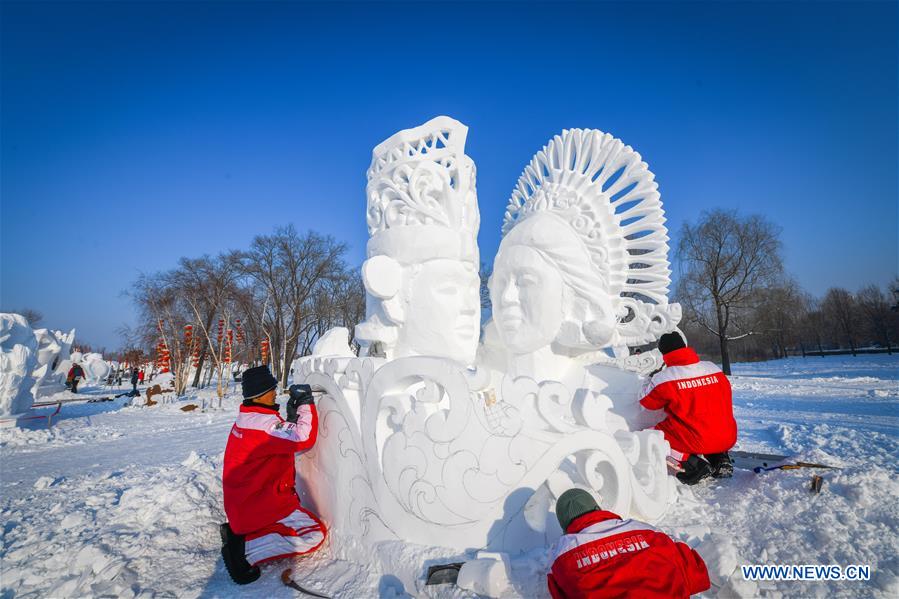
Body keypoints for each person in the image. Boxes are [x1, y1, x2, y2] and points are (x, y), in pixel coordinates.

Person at [220, 366, 326, 585]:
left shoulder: (249, 418)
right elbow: (303, 437)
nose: (275, 392)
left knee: (301, 525)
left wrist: (291, 419)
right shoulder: (264, 424)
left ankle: (241, 535)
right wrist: (305, 403)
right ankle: (246, 550)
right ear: (260, 394)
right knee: (314, 534)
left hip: (248, 503)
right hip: (260, 504)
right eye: (271, 388)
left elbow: (277, 441)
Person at [547, 489, 710, 598]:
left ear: (565, 527)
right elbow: (694, 573)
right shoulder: (644, 530)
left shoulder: (562, 554)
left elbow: (559, 592)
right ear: (597, 509)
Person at [640, 332, 737, 484]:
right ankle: (720, 458)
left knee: (649, 436)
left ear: (663, 353)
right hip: (727, 436)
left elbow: (646, 402)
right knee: (707, 423)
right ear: (685, 347)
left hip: (697, 440)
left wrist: (649, 378)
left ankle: (693, 465)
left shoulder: (665, 377)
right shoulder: (712, 368)